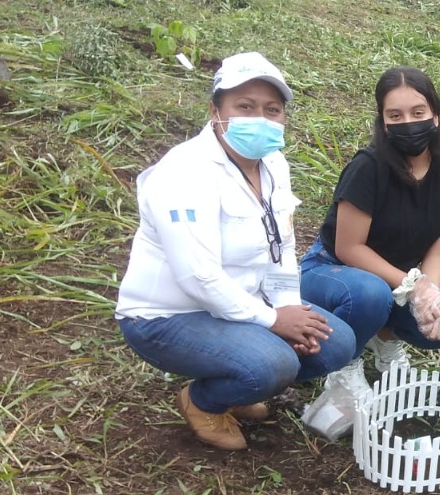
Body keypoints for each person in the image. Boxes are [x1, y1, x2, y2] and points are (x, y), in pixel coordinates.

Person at [115, 52, 355, 451]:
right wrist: (272, 320)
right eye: (245, 106)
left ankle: (235, 382)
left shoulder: (273, 163)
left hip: (240, 304)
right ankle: (203, 400)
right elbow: (198, 277)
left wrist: (290, 308)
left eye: (272, 109)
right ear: (215, 111)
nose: (260, 118)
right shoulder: (185, 172)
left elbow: (283, 245)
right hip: (168, 317)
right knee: (272, 364)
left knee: (337, 343)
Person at [299, 67, 440, 373]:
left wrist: (430, 296)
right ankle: (344, 365)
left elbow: (438, 248)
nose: (408, 122)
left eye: (418, 112)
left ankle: (385, 338)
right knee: (370, 294)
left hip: (396, 282)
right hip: (333, 269)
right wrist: (413, 285)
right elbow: (349, 247)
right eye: (395, 116)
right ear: (384, 123)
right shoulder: (368, 167)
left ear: (435, 116)